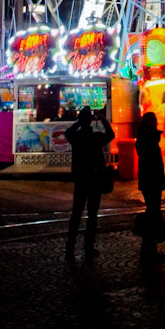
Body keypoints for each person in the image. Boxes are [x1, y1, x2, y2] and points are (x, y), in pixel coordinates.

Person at [64, 106, 115, 262]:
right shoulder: (95, 137)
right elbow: (111, 135)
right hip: (94, 178)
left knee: (77, 213)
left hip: (81, 179)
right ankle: (89, 244)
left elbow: (67, 132)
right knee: (92, 214)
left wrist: (79, 122)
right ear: (91, 120)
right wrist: (103, 120)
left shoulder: (76, 137)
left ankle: (70, 245)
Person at [135, 111, 165, 267]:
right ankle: (149, 250)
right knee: (153, 212)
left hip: (149, 179)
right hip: (152, 179)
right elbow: (152, 158)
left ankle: (149, 249)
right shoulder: (149, 138)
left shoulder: (143, 137)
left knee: (152, 212)